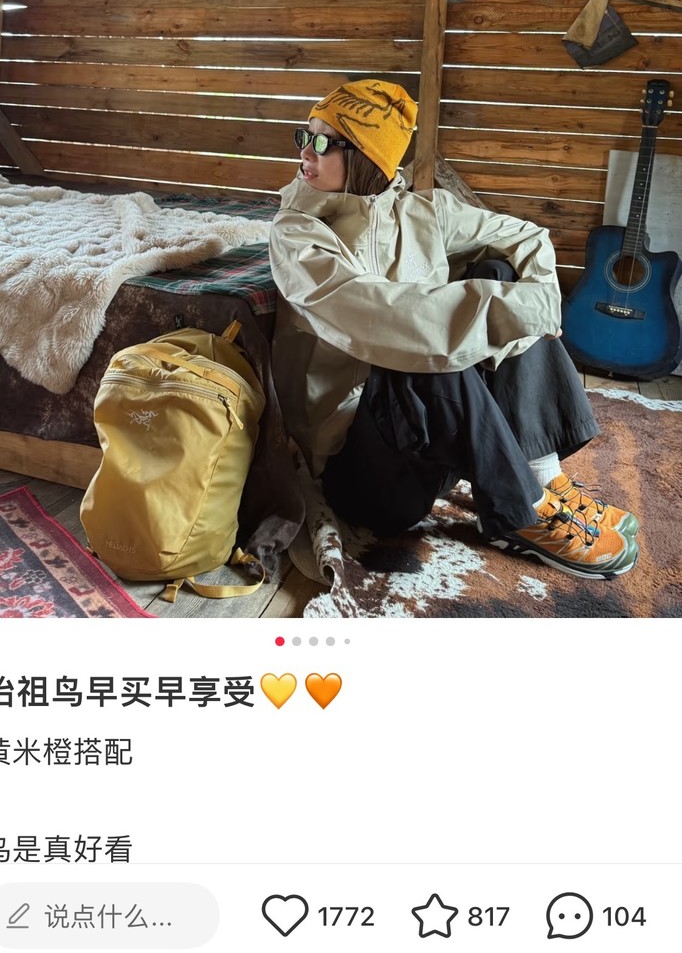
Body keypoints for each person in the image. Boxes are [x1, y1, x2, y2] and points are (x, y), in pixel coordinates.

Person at [268, 79, 639, 581]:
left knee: (502, 274)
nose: (305, 153)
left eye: (322, 141)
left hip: (431, 448)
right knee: (421, 342)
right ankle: (519, 513)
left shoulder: (425, 212)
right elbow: (390, 318)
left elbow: (528, 236)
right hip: (362, 473)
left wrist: (540, 296)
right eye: (304, 136)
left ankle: (544, 478)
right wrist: (516, 310)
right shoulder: (297, 235)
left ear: (368, 157)